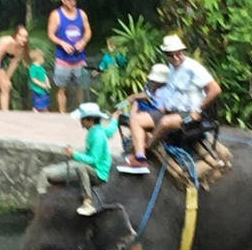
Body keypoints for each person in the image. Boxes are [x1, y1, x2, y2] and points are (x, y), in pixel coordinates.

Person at [125, 35, 221, 169]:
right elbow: (173, 89)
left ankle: (147, 149)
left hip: (190, 115)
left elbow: (215, 90)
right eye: (171, 55)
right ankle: (140, 157)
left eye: (178, 54)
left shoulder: (194, 68)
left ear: (183, 52)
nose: (175, 58)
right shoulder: (171, 67)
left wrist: (198, 110)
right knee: (135, 120)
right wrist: (165, 106)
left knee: (166, 122)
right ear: (166, 55)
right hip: (170, 110)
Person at [35, 102, 120, 216]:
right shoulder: (98, 130)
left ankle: (87, 202)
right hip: (94, 168)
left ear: (90, 120)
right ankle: (42, 202)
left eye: (82, 119)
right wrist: (115, 119)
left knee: (75, 168)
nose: (80, 122)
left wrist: (74, 154)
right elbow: (111, 130)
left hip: (98, 172)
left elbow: (93, 160)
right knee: (52, 171)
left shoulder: (97, 135)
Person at [47, 0, 91, 114]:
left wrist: (83, 41)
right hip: (63, 58)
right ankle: (62, 112)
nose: (72, 2)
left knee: (81, 87)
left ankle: (82, 111)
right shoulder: (56, 15)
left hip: (79, 57)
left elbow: (88, 30)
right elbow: (51, 34)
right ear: (63, 0)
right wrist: (63, 43)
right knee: (62, 88)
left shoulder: (81, 14)